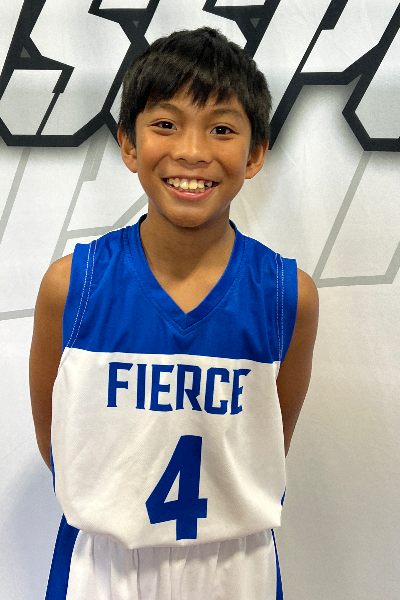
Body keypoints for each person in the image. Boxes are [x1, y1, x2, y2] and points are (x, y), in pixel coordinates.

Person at [30, 27, 318, 600]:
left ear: (255, 154)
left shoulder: (287, 296)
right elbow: (56, 444)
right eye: (165, 124)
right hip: (103, 565)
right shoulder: (72, 286)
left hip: (235, 566)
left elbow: (268, 441)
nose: (191, 150)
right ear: (128, 145)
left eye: (221, 129)